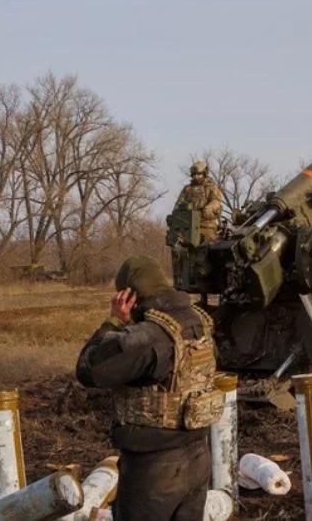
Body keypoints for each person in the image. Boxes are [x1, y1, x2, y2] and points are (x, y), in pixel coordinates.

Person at [76, 256, 224, 520]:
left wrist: (114, 322)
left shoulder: (148, 336)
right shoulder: (197, 321)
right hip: (198, 457)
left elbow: (89, 370)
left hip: (154, 470)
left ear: (128, 296)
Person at [173, 161, 223, 242]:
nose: (196, 177)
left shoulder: (211, 187)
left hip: (206, 225)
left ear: (204, 174)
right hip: (188, 225)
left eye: (199, 174)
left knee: (207, 245)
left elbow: (216, 201)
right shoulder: (187, 189)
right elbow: (179, 204)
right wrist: (176, 214)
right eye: (194, 175)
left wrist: (208, 209)